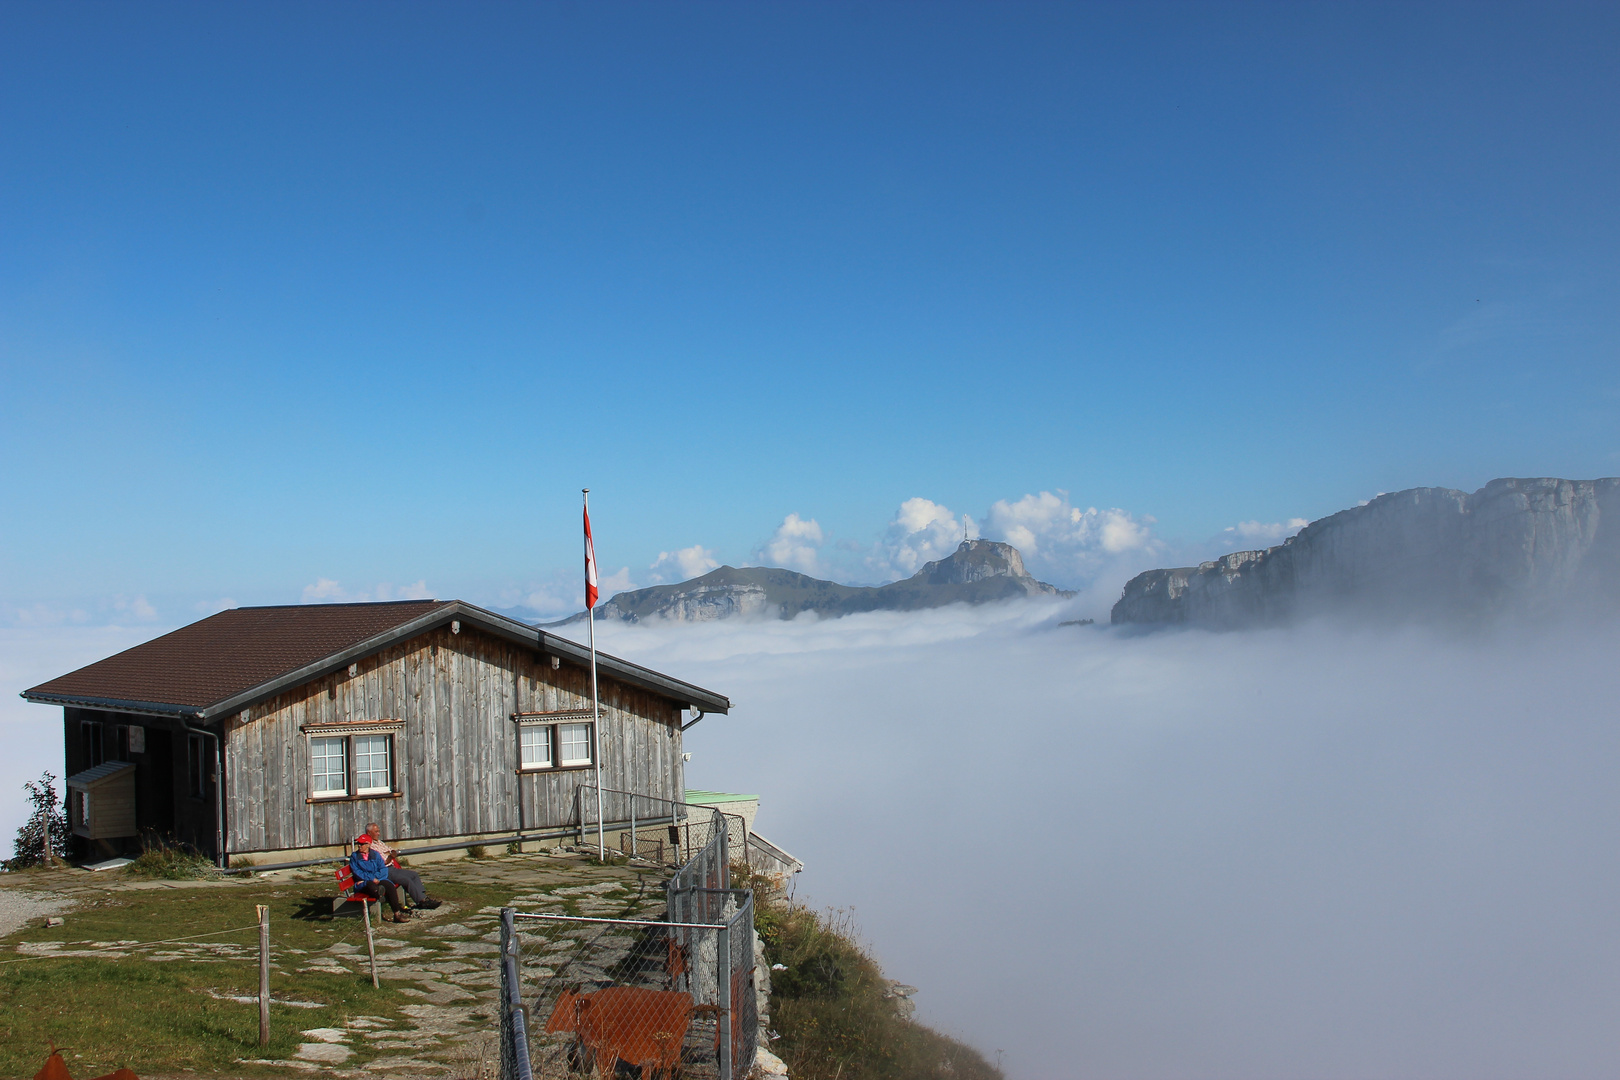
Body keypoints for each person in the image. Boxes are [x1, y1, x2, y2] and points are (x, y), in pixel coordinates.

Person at [365, 821, 441, 911]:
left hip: (392, 867)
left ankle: (423, 897)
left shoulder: (379, 842)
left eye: (378, 831)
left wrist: (390, 854)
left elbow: (390, 850)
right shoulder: (369, 845)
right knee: (406, 880)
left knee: (414, 875)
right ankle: (422, 901)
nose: (378, 834)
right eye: (376, 832)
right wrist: (390, 856)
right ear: (369, 833)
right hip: (384, 871)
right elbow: (383, 862)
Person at [349, 834, 409, 923]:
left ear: (368, 844)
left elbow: (383, 869)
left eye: (362, 844)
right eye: (358, 843)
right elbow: (357, 872)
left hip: (378, 880)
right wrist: (372, 878)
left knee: (389, 885)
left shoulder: (375, 855)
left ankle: (397, 913)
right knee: (371, 885)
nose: (359, 846)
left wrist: (377, 878)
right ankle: (379, 893)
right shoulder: (355, 856)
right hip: (364, 883)